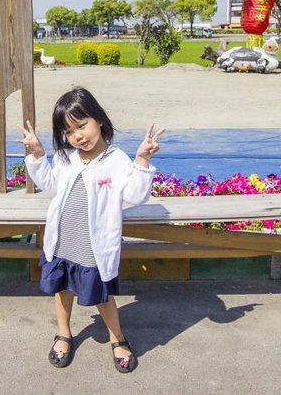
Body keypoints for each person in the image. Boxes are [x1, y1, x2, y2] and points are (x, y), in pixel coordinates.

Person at [18, 87, 164, 373]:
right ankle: (63, 333)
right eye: (70, 132)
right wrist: (37, 154)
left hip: (93, 248)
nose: (78, 136)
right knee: (62, 290)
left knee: (102, 297)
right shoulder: (66, 157)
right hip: (62, 241)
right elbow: (49, 183)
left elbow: (135, 195)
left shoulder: (116, 159)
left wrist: (142, 159)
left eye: (82, 125)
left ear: (98, 119)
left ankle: (118, 338)